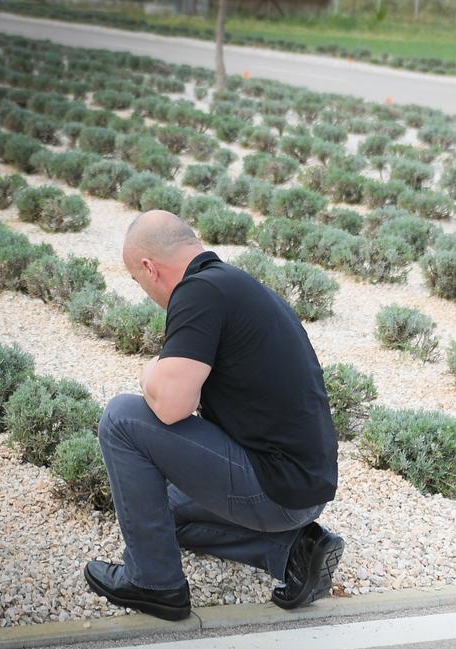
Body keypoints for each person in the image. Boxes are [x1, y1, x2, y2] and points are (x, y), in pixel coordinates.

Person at [83, 209, 344, 621]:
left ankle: (154, 583)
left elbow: (171, 405)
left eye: (138, 281)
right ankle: (293, 551)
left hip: (273, 488)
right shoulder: (236, 285)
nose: (146, 291)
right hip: (302, 490)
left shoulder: (198, 292)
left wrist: (147, 369)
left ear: (149, 268)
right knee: (158, 511)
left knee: (121, 417)